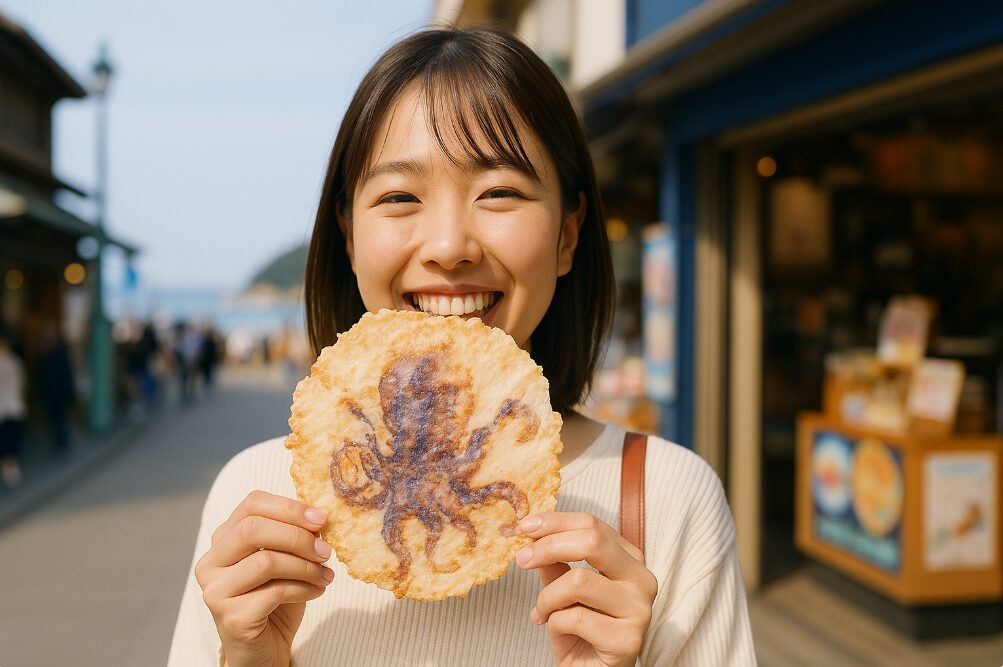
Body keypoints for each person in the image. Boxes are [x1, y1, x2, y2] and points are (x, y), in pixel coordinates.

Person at [169, 27, 755, 666]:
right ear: (349, 235)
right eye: (399, 197)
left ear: (566, 235)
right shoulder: (253, 501)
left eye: (499, 193)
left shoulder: (670, 500)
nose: (449, 246)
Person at [36, 323, 76, 458]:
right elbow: (40, 377)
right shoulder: (43, 354)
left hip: (60, 393)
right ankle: (58, 443)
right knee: (54, 420)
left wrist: (70, 392)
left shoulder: (59, 353)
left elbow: (67, 374)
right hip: (50, 393)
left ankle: (61, 443)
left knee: (60, 420)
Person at [0, 328, 26, 488]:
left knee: (5, 445)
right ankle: (11, 473)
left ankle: (9, 474)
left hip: (3, 410)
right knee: (11, 444)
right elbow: (23, 383)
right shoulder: (15, 362)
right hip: (15, 408)